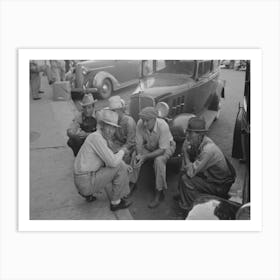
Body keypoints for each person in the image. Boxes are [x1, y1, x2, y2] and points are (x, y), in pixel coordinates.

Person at [73, 109, 132, 211]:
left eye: (113, 128)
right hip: (85, 182)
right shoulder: (97, 138)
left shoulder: (97, 136)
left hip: (81, 181)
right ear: (102, 125)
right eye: (108, 126)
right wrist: (123, 150)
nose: (110, 131)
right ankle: (115, 202)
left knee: (117, 163)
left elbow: (109, 157)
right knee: (120, 166)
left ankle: (88, 195)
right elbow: (113, 162)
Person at [177, 117, 236, 214]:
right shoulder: (202, 141)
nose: (187, 135)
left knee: (186, 179)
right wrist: (187, 154)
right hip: (212, 177)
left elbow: (190, 174)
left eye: (190, 133)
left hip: (219, 186)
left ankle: (189, 208)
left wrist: (185, 153)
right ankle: (183, 194)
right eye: (187, 132)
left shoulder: (208, 150)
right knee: (184, 171)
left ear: (200, 135)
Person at [132, 107, 176, 208]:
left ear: (155, 119)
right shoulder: (140, 123)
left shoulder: (163, 126)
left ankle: (159, 192)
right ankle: (132, 182)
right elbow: (138, 143)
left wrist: (145, 157)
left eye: (147, 120)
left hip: (167, 146)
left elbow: (162, 150)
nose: (144, 123)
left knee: (159, 161)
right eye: (143, 120)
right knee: (135, 155)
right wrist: (140, 155)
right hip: (152, 146)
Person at [107, 95, 136, 164]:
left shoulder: (129, 122)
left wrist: (120, 150)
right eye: (111, 111)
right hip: (118, 145)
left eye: (114, 111)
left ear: (120, 110)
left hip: (130, 148)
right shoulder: (113, 121)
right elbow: (111, 137)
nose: (112, 113)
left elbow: (131, 142)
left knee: (122, 158)